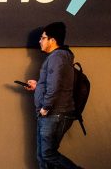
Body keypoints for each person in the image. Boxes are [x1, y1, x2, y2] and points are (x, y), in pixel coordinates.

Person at [26, 22, 83, 169]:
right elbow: (55, 83)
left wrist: (45, 107)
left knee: (47, 154)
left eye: (43, 38)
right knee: (42, 157)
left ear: (52, 40)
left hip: (54, 114)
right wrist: (38, 86)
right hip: (51, 113)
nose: (40, 41)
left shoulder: (57, 57)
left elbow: (54, 86)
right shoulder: (59, 57)